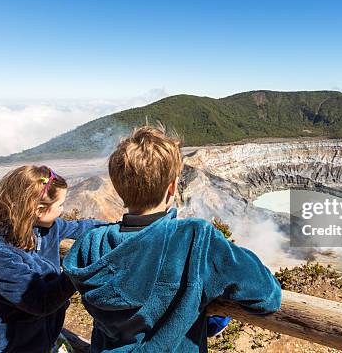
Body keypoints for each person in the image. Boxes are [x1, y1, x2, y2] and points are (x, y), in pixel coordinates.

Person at [63, 125, 282, 352]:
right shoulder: (194, 239)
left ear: (119, 189)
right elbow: (267, 296)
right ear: (172, 187)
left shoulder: (90, 244)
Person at [0, 165, 103, 353]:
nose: (62, 209)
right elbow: (41, 301)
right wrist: (78, 266)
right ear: (39, 210)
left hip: (39, 338)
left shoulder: (47, 227)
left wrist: (120, 227)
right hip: (6, 346)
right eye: (60, 205)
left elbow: (81, 227)